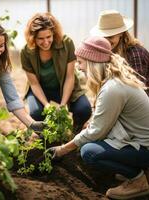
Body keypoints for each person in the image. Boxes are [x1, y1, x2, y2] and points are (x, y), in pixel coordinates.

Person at [50, 36, 149, 199]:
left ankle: (138, 180)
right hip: (139, 142)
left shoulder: (112, 89)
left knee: (89, 152)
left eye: (81, 62)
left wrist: (63, 149)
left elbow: (96, 132)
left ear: (92, 63)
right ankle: (132, 169)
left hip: (145, 147)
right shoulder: (114, 81)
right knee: (89, 140)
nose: (78, 67)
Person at [20, 12, 92, 134]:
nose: (46, 42)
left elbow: (70, 77)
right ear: (33, 38)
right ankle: (47, 136)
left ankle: (76, 131)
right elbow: (34, 83)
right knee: (36, 113)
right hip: (41, 89)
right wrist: (46, 105)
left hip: (65, 86)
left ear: (54, 33)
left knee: (84, 109)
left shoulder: (66, 43)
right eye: (40, 39)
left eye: (49, 37)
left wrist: (63, 104)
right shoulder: (26, 52)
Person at [90, 9, 149, 96]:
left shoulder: (135, 53)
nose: (106, 41)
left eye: (110, 37)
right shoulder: (108, 52)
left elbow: (138, 90)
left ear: (121, 33)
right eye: (103, 37)